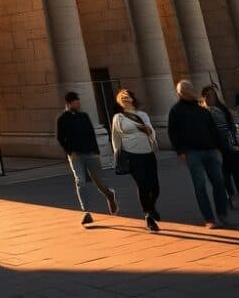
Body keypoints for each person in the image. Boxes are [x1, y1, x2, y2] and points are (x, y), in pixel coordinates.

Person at [168, 79, 229, 228]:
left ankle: (222, 213)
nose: (189, 92)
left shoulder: (202, 110)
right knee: (200, 185)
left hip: (210, 151)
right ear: (179, 93)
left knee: (219, 182)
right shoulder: (175, 111)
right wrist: (180, 151)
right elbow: (173, 133)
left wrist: (219, 148)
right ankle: (209, 218)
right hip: (192, 153)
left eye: (190, 89)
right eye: (185, 90)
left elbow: (213, 130)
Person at [56, 91, 118, 225]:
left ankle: (109, 194)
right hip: (75, 155)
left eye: (78, 101)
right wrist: (69, 151)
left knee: (100, 182)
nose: (78, 104)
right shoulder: (62, 119)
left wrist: (96, 151)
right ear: (69, 103)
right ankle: (86, 212)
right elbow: (60, 137)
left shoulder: (84, 116)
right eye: (76, 102)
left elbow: (91, 134)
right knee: (80, 181)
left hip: (90, 153)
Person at [110, 88, 161, 232]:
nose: (125, 99)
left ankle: (151, 206)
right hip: (131, 155)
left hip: (148, 153)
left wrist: (148, 131)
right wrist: (117, 156)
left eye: (127, 97)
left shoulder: (142, 115)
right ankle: (148, 215)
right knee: (143, 185)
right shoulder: (118, 117)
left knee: (155, 188)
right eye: (122, 97)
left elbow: (151, 131)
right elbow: (115, 138)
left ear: (132, 99)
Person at [200, 84, 239, 209]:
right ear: (203, 97)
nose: (209, 97)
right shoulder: (203, 112)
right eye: (207, 95)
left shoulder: (222, 108)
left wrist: (232, 139)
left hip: (230, 143)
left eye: (212, 95)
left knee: (236, 171)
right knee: (225, 173)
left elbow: (231, 126)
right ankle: (232, 196)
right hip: (217, 146)